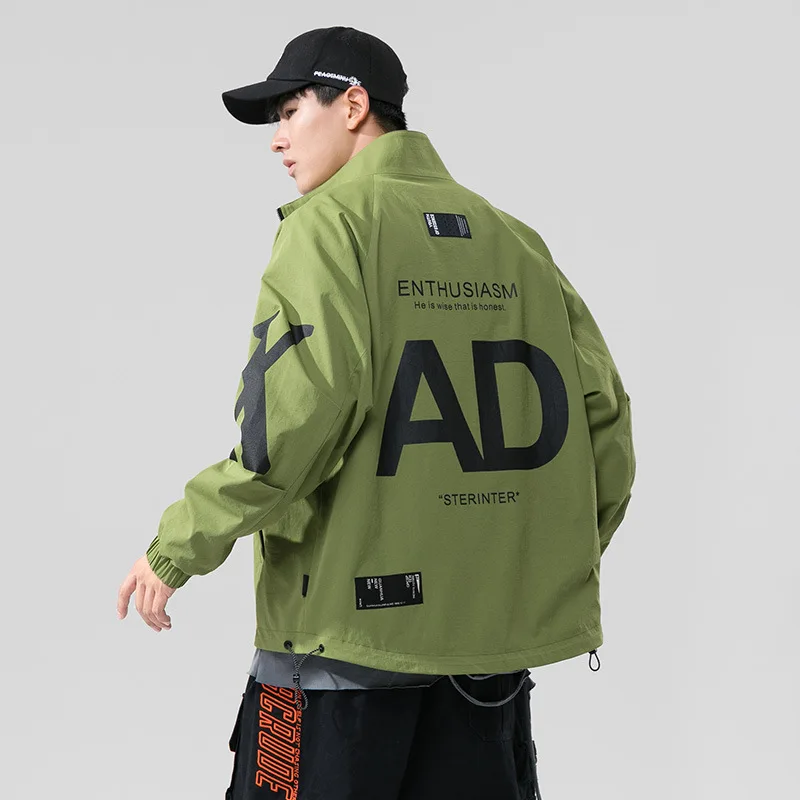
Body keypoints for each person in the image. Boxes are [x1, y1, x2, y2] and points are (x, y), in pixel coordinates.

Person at [116, 25, 636, 800]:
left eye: (290, 111)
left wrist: (177, 547)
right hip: (487, 663)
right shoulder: (515, 241)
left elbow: (291, 427)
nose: (277, 138)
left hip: (338, 655)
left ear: (353, 106)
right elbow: (605, 428)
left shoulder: (329, 229)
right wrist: (526, 568)